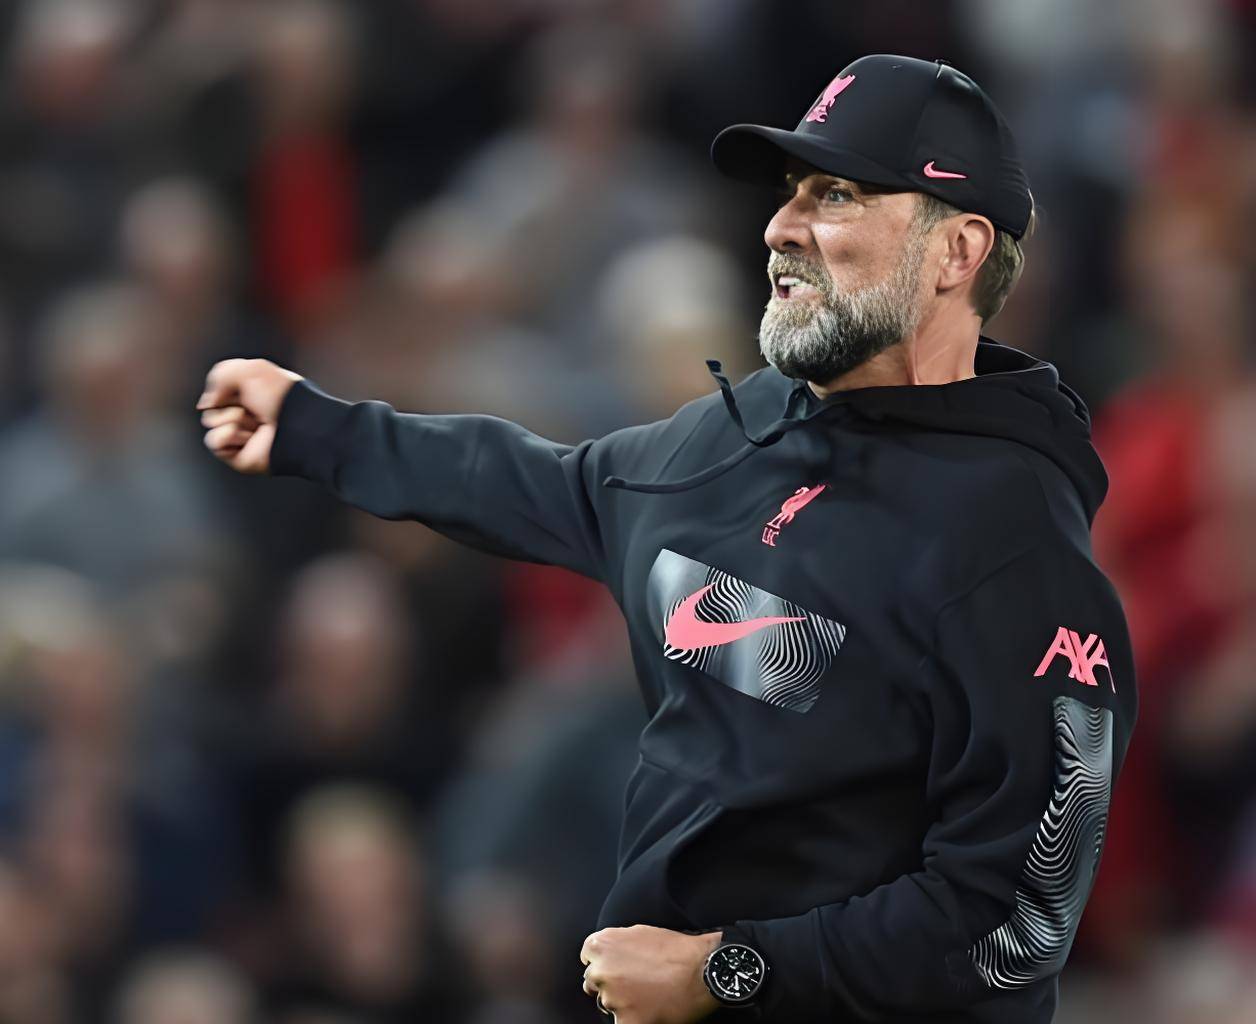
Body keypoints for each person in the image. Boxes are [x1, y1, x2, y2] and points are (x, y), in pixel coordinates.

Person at [197, 54, 1138, 1024]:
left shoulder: (1018, 549)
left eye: (837, 196)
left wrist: (722, 972)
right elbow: (541, 481)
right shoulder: (739, 436)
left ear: (956, 252)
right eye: (790, 192)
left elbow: (1016, 926)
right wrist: (317, 430)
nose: (780, 227)